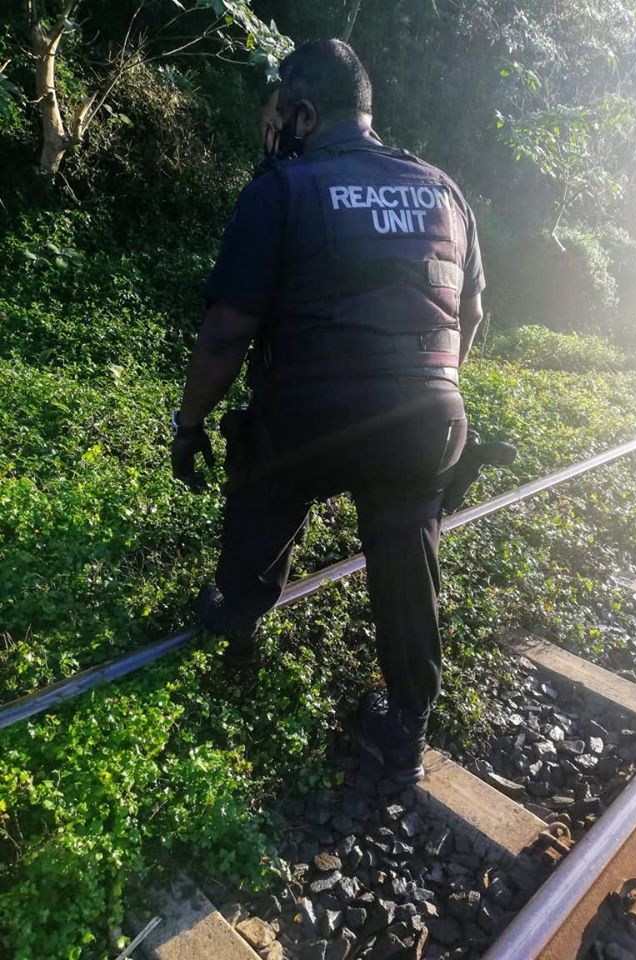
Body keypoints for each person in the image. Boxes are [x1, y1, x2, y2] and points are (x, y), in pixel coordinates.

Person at [171, 39, 485, 784]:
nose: (272, 130)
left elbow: (225, 335)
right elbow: (469, 317)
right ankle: (405, 726)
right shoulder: (444, 188)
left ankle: (239, 611)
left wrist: (188, 427)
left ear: (304, 114)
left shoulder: (282, 189)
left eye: (279, 116)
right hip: (429, 417)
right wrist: (421, 395)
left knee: (265, 465)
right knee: (408, 544)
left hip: (311, 418)